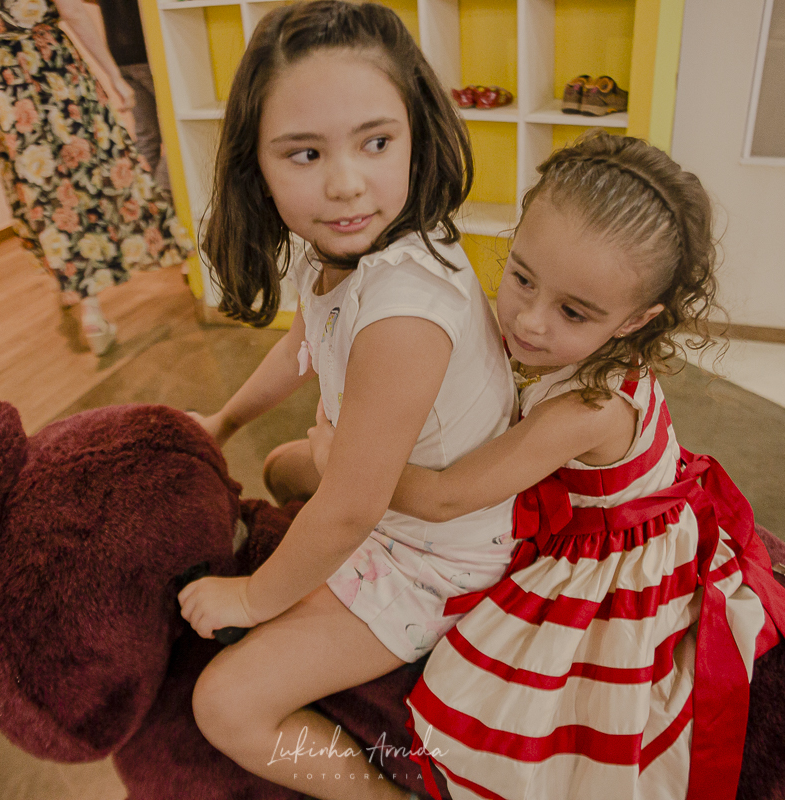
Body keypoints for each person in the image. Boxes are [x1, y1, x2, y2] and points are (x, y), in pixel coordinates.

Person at [309, 131, 785, 800]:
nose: (529, 321)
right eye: (521, 277)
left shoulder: (588, 407)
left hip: (605, 557)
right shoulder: (559, 343)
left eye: (572, 311)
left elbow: (446, 497)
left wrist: (345, 462)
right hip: (601, 507)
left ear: (636, 320)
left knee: (515, 707)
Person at [176, 2, 518, 798]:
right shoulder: (345, 245)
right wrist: (224, 420)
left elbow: (353, 507)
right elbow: (304, 344)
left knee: (225, 705)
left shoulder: (405, 312)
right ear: (255, 164)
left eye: (376, 142)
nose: (345, 183)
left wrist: (252, 597)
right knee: (281, 466)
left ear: (415, 134)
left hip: (440, 557)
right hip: (390, 504)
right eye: (305, 153)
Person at [0, 0, 191, 355]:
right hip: (52, 67)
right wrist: (113, 75)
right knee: (90, 170)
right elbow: (73, 11)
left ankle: (82, 298)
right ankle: (112, 283)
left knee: (41, 185)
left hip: (2, 77)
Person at [86, 0, 172, 193]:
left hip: (119, 53)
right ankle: (161, 194)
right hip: (148, 48)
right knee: (177, 131)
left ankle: (149, 195)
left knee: (146, 134)